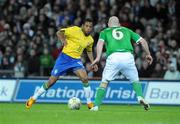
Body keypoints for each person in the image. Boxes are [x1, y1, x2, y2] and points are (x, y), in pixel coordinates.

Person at [26, 18, 98, 109]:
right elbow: (59, 32)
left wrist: (93, 62)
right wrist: (63, 40)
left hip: (76, 61)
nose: (88, 28)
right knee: (51, 81)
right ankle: (33, 98)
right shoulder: (74, 30)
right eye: (86, 26)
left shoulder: (90, 40)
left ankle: (89, 103)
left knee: (85, 78)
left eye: (90, 27)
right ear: (82, 26)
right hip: (64, 59)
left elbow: (89, 51)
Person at [90, 16, 153, 111]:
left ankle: (96, 106)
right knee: (135, 80)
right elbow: (143, 41)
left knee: (104, 82)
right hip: (128, 56)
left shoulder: (105, 31)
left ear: (108, 25)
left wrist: (98, 57)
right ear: (119, 24)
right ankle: (140, 97)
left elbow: (99, 44)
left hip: (113, 57)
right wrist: (148, 54)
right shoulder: (127, 30)